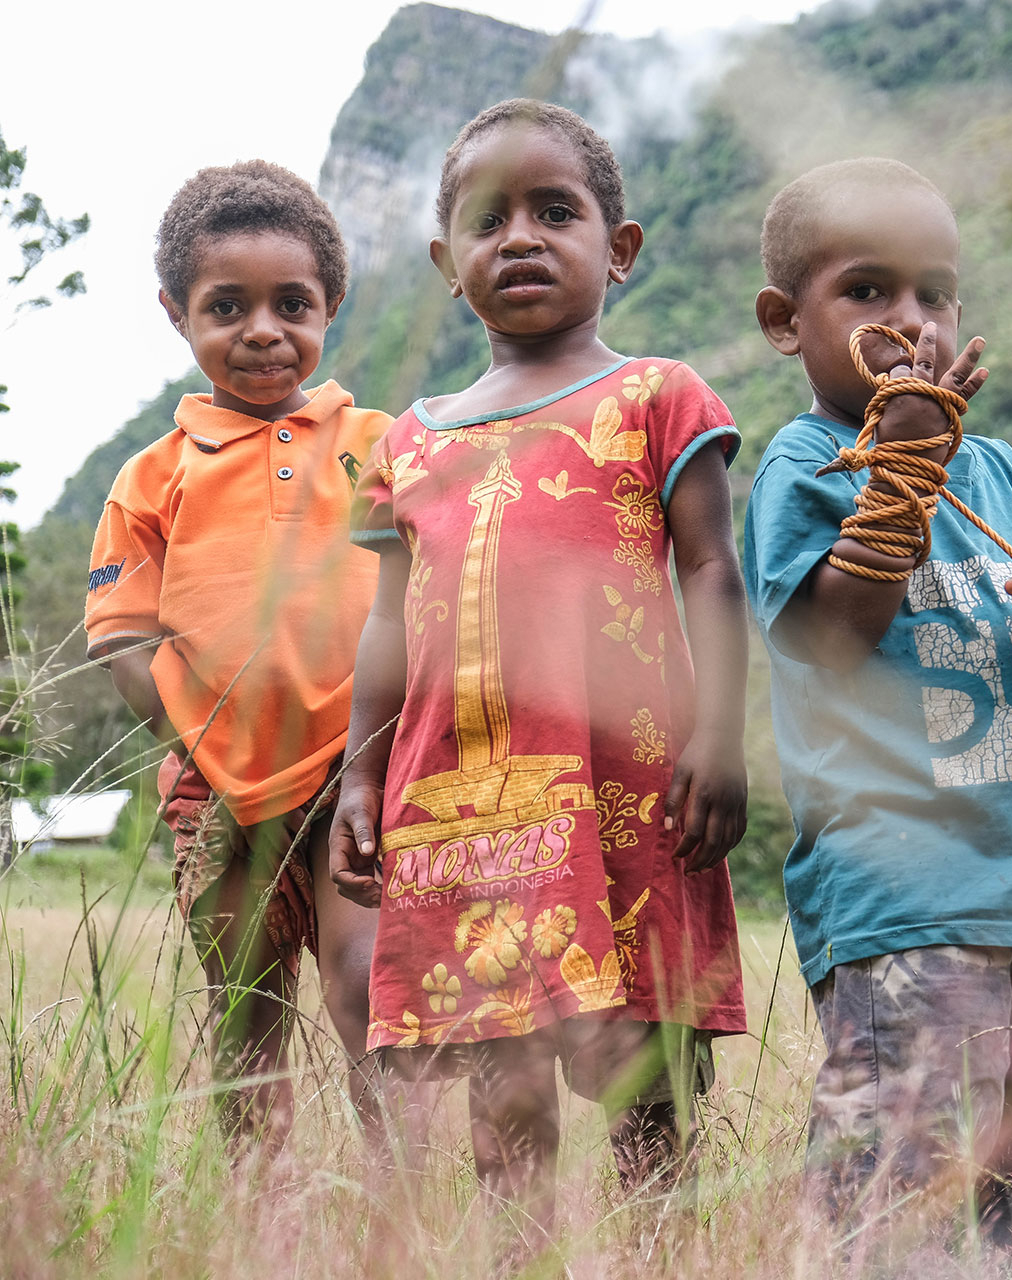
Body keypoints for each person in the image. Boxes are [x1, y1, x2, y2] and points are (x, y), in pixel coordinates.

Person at [329, 100, 750, 1239]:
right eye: (487, 220)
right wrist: (361, 776)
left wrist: (721, 736)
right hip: (459, 800)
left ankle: (662, 1257)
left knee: (650, 1081)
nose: (519, 237)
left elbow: (713, 569)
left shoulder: (659, 396)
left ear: (620, 248)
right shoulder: (407, 442)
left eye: (555, 212)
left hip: (630, 787)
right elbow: (386, 626)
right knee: (502, 1092)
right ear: (446, 264)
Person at [742, 156, 1012, 1264]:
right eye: (866, 291)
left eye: (934, 292)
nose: (910, 321)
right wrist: (901, 476)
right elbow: (831, 638)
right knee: (907, 1167)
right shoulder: (807, 465)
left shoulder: (1007, 473)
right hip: (908, 890)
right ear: (786, 322)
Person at [84, 161, 394, 1157]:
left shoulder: (382, 444)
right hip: (216, 791)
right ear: (176, 312)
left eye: (292, 304)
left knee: (369, 990)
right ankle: (265, 1216)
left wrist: (383, 750)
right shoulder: (150, 477)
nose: (263, 329)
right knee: (247, 1013)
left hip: (361, 775)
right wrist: (202, 745)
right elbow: (123, 637)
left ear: (331, 304)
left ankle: (405, 1210)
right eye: (227, 306)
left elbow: (423, 599)